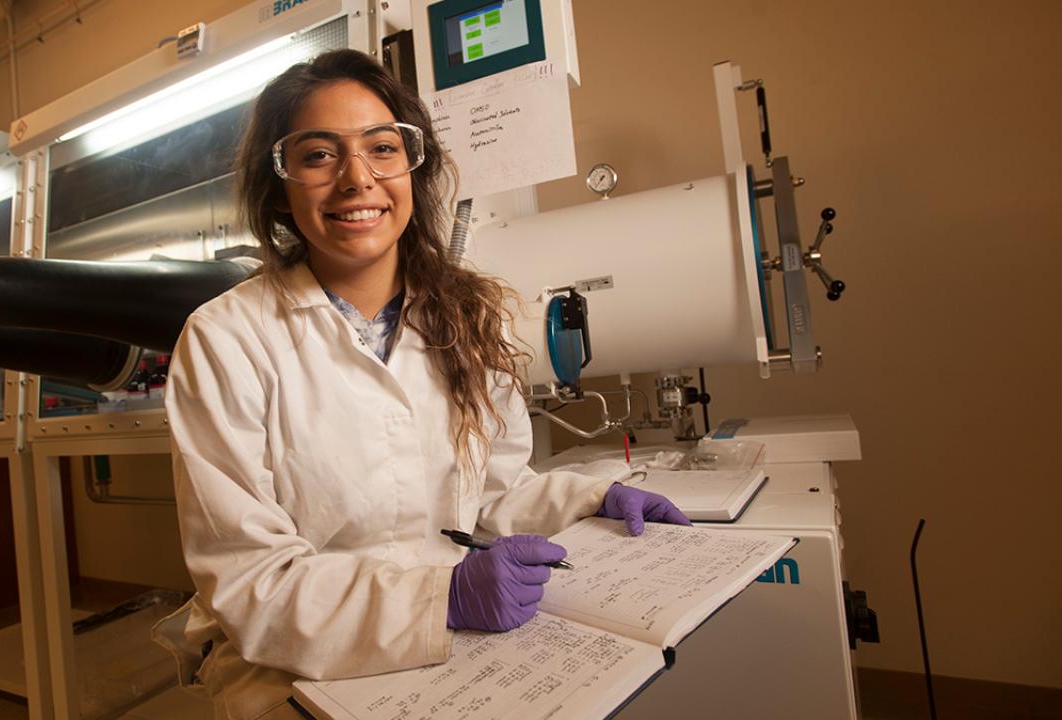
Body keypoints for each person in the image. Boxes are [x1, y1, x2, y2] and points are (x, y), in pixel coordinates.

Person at [162, 48, 690, 720]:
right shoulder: (225, 340)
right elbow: (250, 582)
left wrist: (594, 501)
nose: (358, 178)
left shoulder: (467, 318)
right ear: (280, 185)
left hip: (463, 656)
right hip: (290, 677)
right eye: (318, 155)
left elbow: (495, 494)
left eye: (382, 148)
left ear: (414, 168)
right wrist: (441, 598)